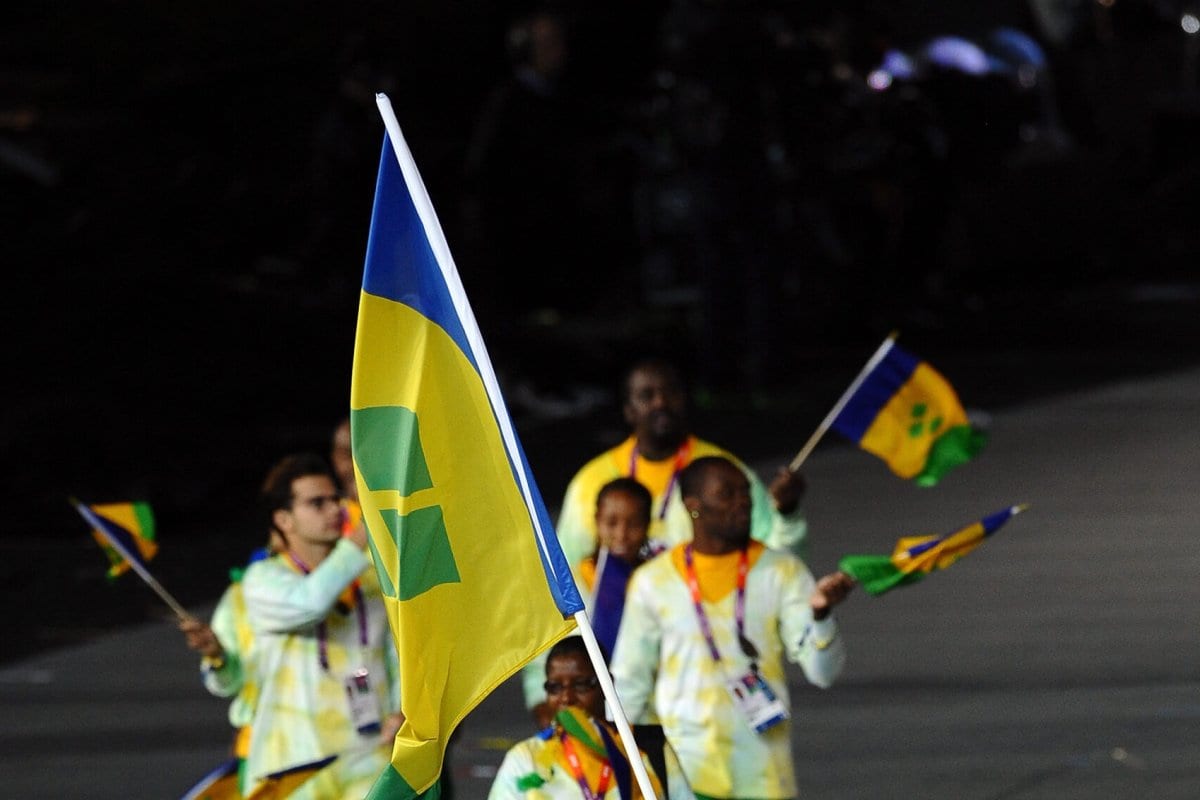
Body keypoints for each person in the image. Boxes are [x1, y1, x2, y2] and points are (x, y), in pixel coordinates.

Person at [610, 456, 854, 800]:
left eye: (745, 492)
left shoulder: (782, 571)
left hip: (762, 774)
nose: (743, 501)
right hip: (685, 776)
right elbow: (629, 682)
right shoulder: (653, 581)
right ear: (693, 507)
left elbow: (823, 674)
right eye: (727, 494)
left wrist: (821, 615)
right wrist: (615, 765)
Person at [239, 453, 402, 800]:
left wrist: (403, 709)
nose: (335, 510)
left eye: (335, 499)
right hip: (294, 766)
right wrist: (361, 537)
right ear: (284, 519)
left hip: (368, 756)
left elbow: (397, 651)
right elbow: (311, 602)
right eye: (317, 503)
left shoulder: (369, 578)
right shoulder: (263, 581)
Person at [556, 359, 809, 567]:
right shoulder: (591, 481)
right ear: (628, 410)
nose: (661, 402)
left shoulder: (724, 472)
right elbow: (567, 573)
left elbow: (778, 561)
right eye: (647, 395)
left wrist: (787, 513)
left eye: (671, 392)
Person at [523, 477, 656, 726]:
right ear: (596, 520)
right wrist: (541, 704)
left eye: (634, 524)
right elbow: (541, 653)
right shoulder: (568, 584)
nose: (622, 534)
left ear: (649, 524)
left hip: (645, 722)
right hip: (578, 719)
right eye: (611, 523)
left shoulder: (659, 584)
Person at [490, 636, 674, 800]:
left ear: (606, 684)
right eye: (555, 687)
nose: (567, 698)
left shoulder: (648, 749)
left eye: (580, 685)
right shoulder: (524, 760)